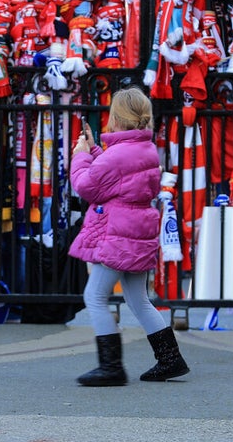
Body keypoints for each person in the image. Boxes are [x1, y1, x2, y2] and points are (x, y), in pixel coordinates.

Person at [69, 87, 190, 386]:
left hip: (117, 233)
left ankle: (111, 367)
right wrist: (95, 150)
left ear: (116, 118)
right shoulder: (144, 149)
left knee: (94, 296)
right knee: (139, 299)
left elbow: (87, 187)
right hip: (138, 231)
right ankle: (170, 359)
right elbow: (118, 178)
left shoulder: (119, 155)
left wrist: (81, 157)